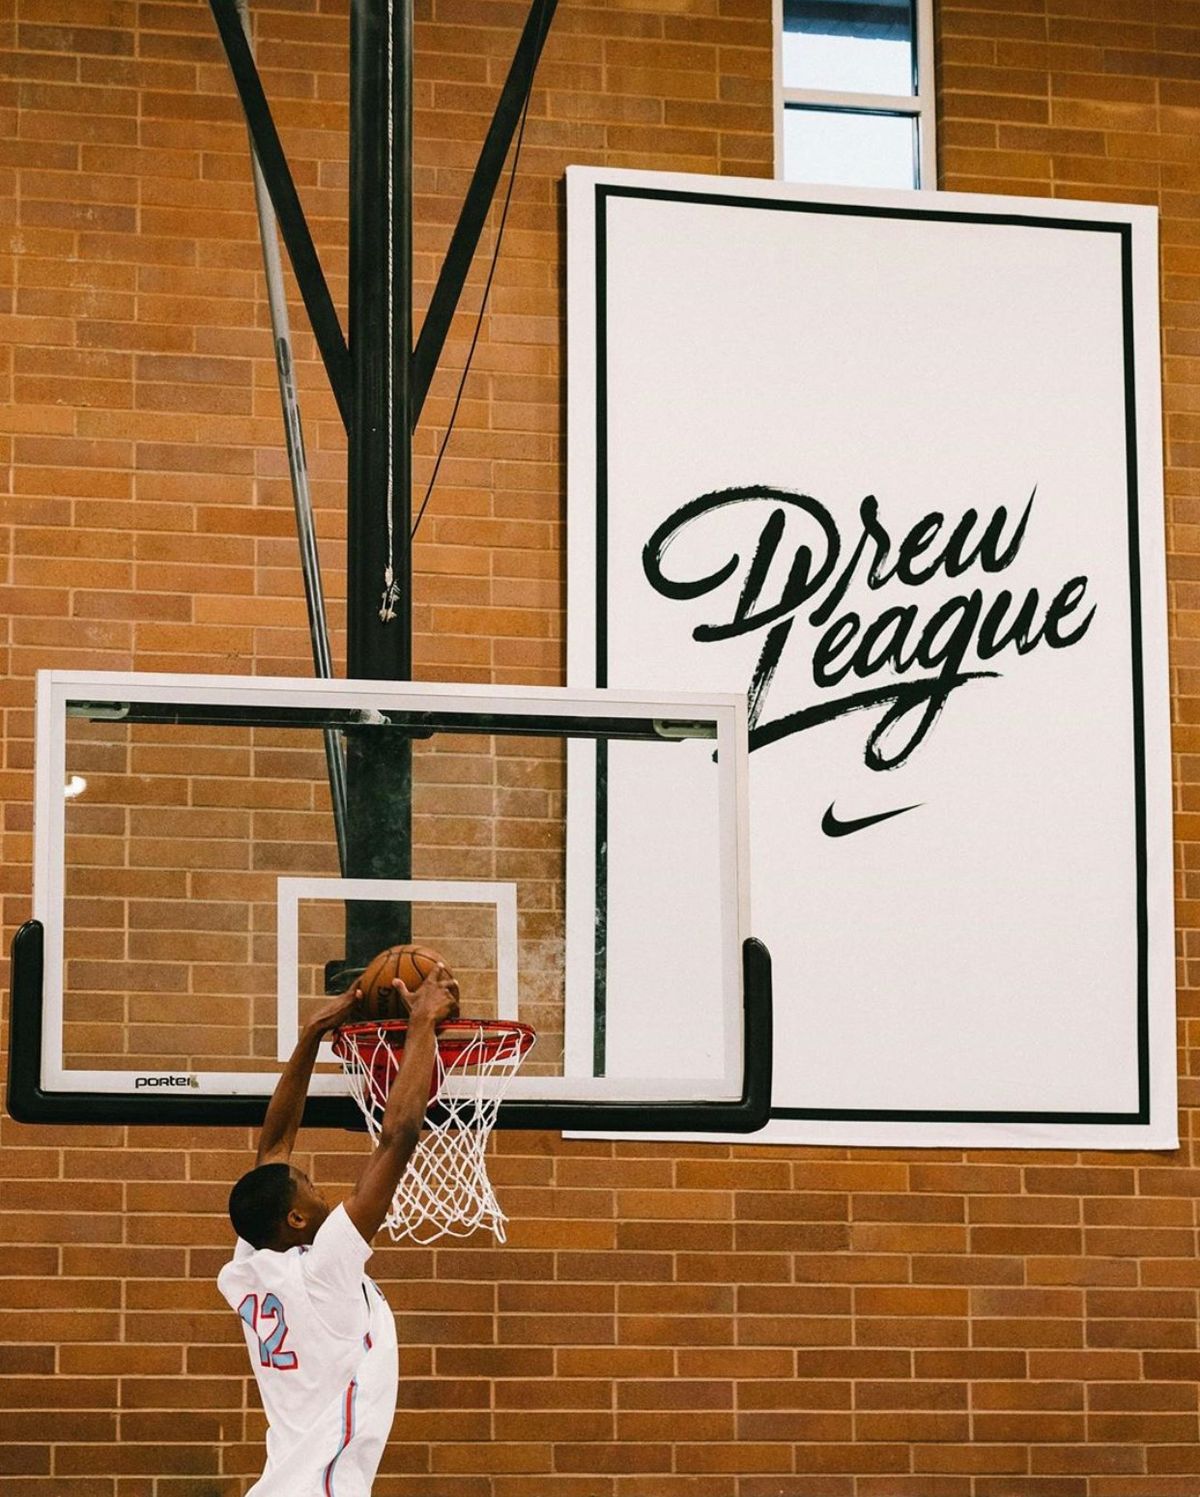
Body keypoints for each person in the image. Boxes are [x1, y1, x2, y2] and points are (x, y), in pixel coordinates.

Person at [217, 962, 460, 1496]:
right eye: (310, 1186)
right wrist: (421, 1022)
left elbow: (274, 1145)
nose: (322, 1190)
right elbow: (398, 1136)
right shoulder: (324, 1268)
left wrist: (313, 1034)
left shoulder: (253, 1263)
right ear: (297, 1219)